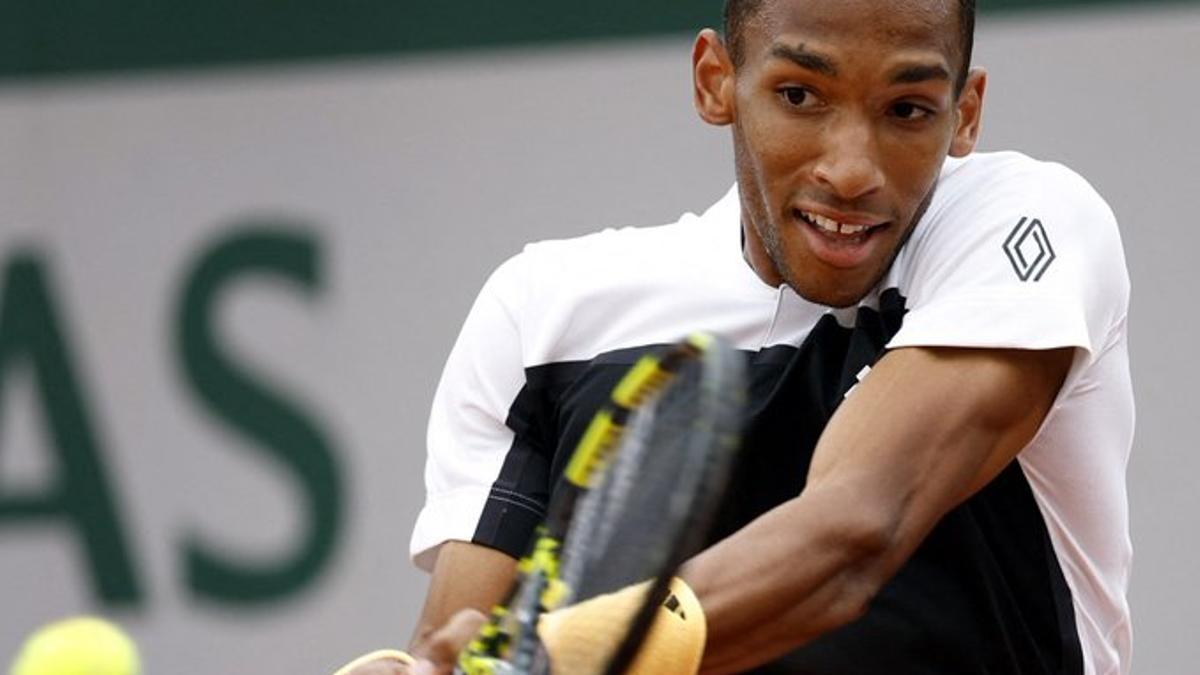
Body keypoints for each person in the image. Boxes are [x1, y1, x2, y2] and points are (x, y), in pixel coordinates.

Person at [339, 0, 1133, 672]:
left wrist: (572, 653)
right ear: (716, 81)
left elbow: (857, 529)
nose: (852, 168)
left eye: (907, 110)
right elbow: (460, 640)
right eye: (799, 95)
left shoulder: (1024, 222)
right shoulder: (544, 312)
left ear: (965, 115)